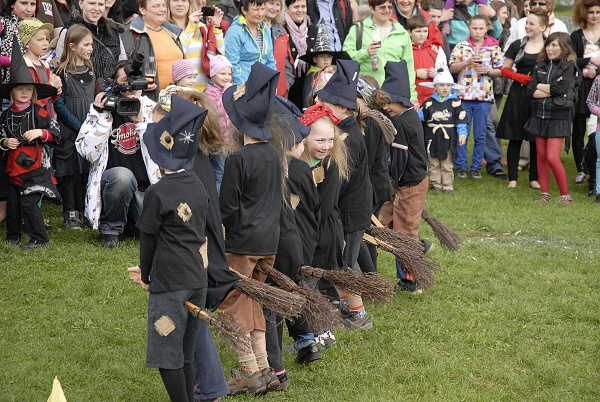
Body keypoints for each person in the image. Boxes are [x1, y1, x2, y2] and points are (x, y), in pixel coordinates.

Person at [128, 95, 211, 402]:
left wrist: (147, 275)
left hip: (170, 285)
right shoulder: (199, 185)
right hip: (196, 281)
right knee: (186, 355)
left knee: (167, 355)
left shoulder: (157, 193)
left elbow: (148, 240)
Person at [217, 62, 281, 396]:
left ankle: (248, 370)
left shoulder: (238, 159)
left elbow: (227, 207)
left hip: (242, 244)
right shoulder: (272, 153)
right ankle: (265, 369)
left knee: (233, 304)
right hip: (269, 241)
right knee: (252, 303)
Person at [76, 60, 161, 248]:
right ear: (114, 84)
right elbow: (86, 153)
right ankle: (110, 230)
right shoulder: (102, 109)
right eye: (126, 81)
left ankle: (132, 226)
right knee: (123, 176)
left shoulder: (153, 109)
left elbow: (163, 151)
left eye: (136, 80)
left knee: (147, 233)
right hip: (114, 189)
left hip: (145, 192)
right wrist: (102, 118)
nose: (132, 86)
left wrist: (141, 124)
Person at [315, 59, 373, 330]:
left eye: (326, 106)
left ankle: (359, 316)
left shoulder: (349, 139)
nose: (322, 109)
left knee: (345, 266)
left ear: (342, 108)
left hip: (350, 212)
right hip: (348, 210)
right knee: (341, 264)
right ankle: (345, 308)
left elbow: (340, 181)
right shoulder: (344, 131)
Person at [0, 42, 59, 249]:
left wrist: (40, 132)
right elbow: (0, 138)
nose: (24, 92)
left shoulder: (39, 112)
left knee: (28, 202)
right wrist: (5, 142)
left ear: (33, 92)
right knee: (14, 204)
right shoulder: (6, 115)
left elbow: (56, 133)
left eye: (28, 89)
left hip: (36, 168)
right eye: (19, 89)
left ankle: (39, 238)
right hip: (14, 166)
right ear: (12, 92)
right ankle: (13, 236)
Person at [378, 60, 428, 292]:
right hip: (403, 181)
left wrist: (392, 182)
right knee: (383, 219)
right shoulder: (407, 116)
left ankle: (411, 279)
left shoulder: (401, 123)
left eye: (389, 102)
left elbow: (399, 161)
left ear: (402, 99)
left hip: (409, 183)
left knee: (406, 230)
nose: (386, 107)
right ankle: (419, 249)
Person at [449, 14, 504, 180]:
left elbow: (501, 70)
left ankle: (476, 167)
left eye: (481, 28)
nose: (478, 32)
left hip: (483, 98)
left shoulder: (493, 48)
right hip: (463, 97)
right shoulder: (461, 46)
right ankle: (461, 166)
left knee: (480, 135)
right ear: (468, 28)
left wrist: (487, 70)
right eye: (474, 28)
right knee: (462, 133)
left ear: (487, 28)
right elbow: (452, 68)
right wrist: (467, 62)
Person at [496, 10, 547, 188]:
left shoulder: (549, 46)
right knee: (515, 135)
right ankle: (513, 178)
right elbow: (505, 69)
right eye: (526, 23)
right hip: (519, 93)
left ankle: (534, 178)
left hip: (539, 94)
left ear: (543, 27)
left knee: (535, 138)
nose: (527, 27)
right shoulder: (518, 45)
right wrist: (519, 78)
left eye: (531, 24)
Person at [525, 32, 577, 204]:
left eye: (554, 45)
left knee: (552, 157)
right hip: (539, 115)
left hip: (558, 116)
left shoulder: (568, 66)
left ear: (564, 47)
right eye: (548, 44)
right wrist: (549, 88)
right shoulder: (540, 65)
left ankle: (565, 196)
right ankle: (545, 195)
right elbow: (530, 91)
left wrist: (543, 87)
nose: (549, 48)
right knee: (540, 155)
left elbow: (561, 89)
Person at [54, 24, 95, 229]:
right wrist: (78, 125)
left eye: (91, 44)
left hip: (87, 129)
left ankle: (83, 210)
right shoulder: (61, 72)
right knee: (69, 170)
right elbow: (59, 104)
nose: (90, 48)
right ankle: (70, 213)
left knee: (84, 170)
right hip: (69, 129)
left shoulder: (91, 71)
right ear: (72, 45)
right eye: (86, 44)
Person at [355, 74, 393, 272]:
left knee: (365, 234)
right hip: (377, 185)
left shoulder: (369, 123)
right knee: (368, 232)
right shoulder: (376, 118)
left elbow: (367, 161)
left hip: (372, 188)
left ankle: (371, 276)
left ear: (364, 99)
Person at [343, 0, 416, 102]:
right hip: (364, 92)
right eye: (382, 7)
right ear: (372, 9)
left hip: (393, 95)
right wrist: (365, 53)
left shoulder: (402, 33)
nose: (386, 10)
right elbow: (345, 58)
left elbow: (409, 68)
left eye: (390, 7)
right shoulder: (358, 29)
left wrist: (412, 96)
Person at [418, 67, 468, 193]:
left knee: (447, 162)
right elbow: (422, 116)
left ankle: (447, 186)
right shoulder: (428, 102)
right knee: (433, 162)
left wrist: (462, 133)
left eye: (448, 85)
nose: (445, 88)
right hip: (432, 136)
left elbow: (461, 120)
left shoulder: (455, 103)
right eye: (441, 85)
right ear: (435, 86)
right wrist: (414, 111)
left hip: (448, 136)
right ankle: (436, 185)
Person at [121, 0, 183, 99]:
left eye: (163, 5)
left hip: (177, 101)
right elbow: (120, 67)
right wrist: (137, 82)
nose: (162, 9)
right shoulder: (130, 33)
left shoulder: (173, 32)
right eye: (156, 6)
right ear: (142, 9)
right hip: (149, 102)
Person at [55, 0, 127, 82]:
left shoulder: (114, 32)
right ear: (81, 3)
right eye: (91, 3)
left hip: (110, 90)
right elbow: (61, 65)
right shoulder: (69, 31)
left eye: (100, 4)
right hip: (82, 90)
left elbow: (122, 62)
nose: (96, 8)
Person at [571, 0, 600, 187]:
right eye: (591, 12)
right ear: (584, 13)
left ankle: (595, 166)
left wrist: (596, 72)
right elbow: (571, 60)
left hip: (598, 85)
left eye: (598, 12)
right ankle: (581, 169)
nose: (595, 16)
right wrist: (590, 60)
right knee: (579, 129)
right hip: (581, 87)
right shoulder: (576, 36)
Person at [177, 1, 227, 91]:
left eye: (184, 0)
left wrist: (216, 26)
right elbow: (178, 53)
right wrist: (191, 27)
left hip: (205, 89)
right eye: (175, 0)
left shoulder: (202, 28)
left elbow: (220, 54)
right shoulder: (166, 28)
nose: (180, 4)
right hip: (182, 89)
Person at [224, 0, 277, 85]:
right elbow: (232, 64)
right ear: (244, 10)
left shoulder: (266, 29)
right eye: (256, 9)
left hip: (263, 86)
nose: (260, 14)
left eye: (262, 9)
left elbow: (270, 61)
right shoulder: (234, 31)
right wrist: (242, 88)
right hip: (243, 86)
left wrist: (272, 84)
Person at [19, 18, 62, 117]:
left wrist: (56, 91)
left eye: (47, 39)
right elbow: (30, 100)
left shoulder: (45, 65)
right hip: (33, 119)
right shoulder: (25, 66)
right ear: (27, 43)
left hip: (45, 117)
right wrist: (51, 85)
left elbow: (48, 100)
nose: (45, 43)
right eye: (40, 40)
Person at [203, 54, 233, 192]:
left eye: (229, 74)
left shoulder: (225, 90)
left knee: (227, 173)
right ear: (214, 74)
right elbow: (218, 112)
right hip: (217, 140)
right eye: (223, 73)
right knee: (219, 174)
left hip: (228, 139)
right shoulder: (210, 92)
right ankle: (217, 204)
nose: (227, 77)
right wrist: (227, 93)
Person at [408, 14, 446, 106]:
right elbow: (401, 72)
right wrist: (416, 73)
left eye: (425, 31)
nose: (422, 34)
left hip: (432, 98)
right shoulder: (406, 49)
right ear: (409, 32)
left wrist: (435, 73)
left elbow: (444, 73)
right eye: (418, 31)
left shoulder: (434, 50)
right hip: (411, 98)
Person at [265, 0, 293, 98]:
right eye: (271, 3)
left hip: (279, 94)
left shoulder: (282, 31)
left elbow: (288, 64)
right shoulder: (253, 29)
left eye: (278, 5)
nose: (275, 8)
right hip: (259, 91)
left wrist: (286, 86)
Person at [586, 72, 600, 203]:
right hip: (599, 125)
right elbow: (590, 101)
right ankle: (597, 189)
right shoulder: (598, 80)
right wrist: (597, 111)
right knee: (597, 157)